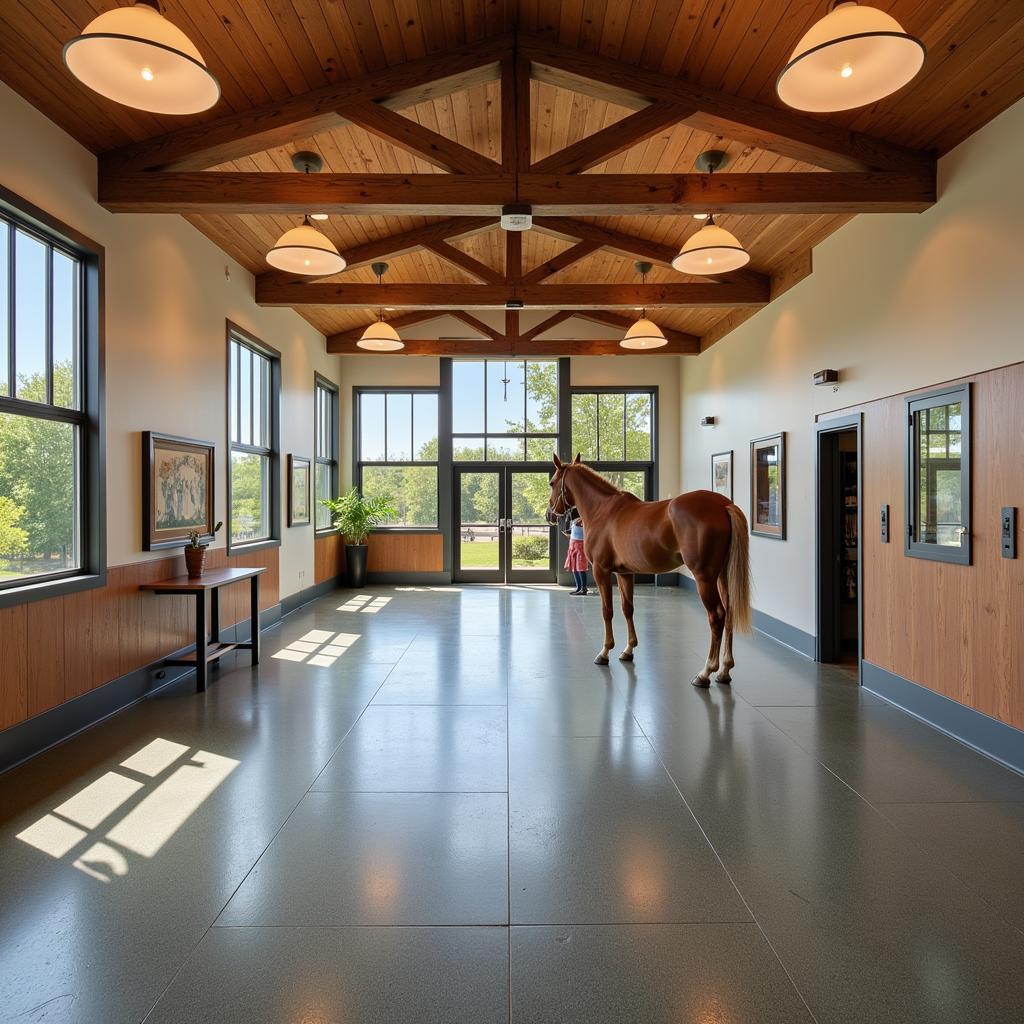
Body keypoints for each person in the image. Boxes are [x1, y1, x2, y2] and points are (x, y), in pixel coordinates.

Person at [564, 514, 589, 595]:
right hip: (573, 545)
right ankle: (578, 587)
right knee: (574, 567)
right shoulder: (575, 521)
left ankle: (583, 588)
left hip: (580, 546)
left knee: (581, 567)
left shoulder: (584, 519)